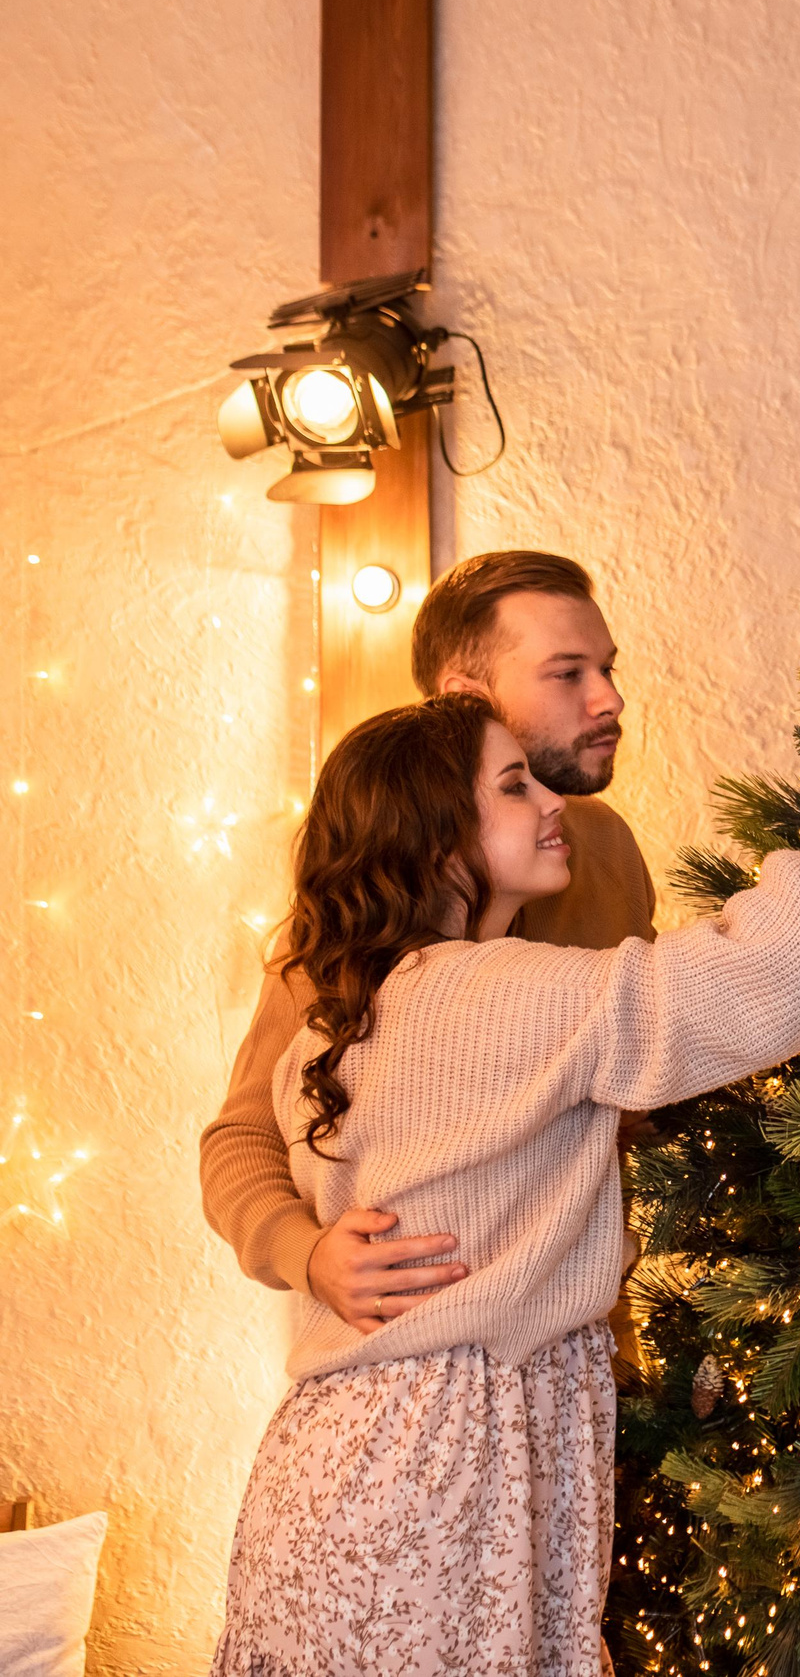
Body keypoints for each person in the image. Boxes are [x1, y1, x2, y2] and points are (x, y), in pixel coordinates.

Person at [212, 684, 800, 1675]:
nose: (550, 803)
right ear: (438, 836)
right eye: (511, 785)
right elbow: (751, 978)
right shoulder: (479, 995)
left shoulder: (379, 1002)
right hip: (433, 1474)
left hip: (359, 1471)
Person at [201, 551, 653, 1332]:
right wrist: (305, 1252)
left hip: (584, 1356)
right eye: (567, 673)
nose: (608, 699)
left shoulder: (606, 846)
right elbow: (242, 1138)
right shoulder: (372, 894)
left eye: (606, 668)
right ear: (464, 696)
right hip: (412, 1372)